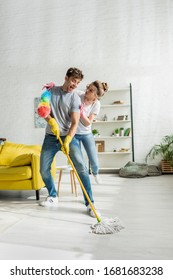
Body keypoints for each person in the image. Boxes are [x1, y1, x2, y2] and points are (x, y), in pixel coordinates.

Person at [38, 67, 100, 218]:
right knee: (44, 169)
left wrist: (68, 141)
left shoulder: (75, 98)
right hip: (51, 137)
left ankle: (90, 203)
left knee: (81, 168)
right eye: (73, 80)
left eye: (78, 82)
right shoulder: (51, 92)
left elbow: (75, 122)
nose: (75, 85)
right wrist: (50, 121)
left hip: (68, 137)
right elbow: (42, 109)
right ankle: (53, 196)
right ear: (66, 78)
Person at [75, 81, 108, 184]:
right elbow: (66, 90)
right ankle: (83, 176)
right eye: (88, 87)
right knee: (78, 158)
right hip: (74, 133)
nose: (87, 91)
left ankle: (96, 173)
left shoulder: (96, 104)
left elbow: (87, 123)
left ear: (96, 96)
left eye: (91, 90)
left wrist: (81, 112)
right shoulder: (78, 94)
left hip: (86, 133)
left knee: (93, 156)